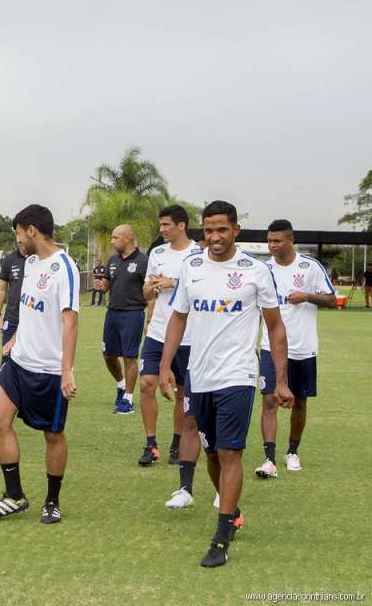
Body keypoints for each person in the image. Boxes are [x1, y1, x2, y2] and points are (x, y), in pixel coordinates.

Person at [159, 200, 293, 568]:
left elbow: (276, 326)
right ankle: (232, 511)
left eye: (222, 230)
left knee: (231, 452)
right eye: (209, 230)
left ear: (236, 230)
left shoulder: (256, 271)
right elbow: (177, 318)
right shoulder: (192, 267)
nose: (215, 237)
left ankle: (221, 536)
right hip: (198, 377)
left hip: (237, 375)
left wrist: (280, 380)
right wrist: (167, 365)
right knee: (212, 455)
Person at [0, 204, 79, 522]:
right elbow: (28, 307)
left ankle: (52, 500)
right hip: (19, 361)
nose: (18, 241)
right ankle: (14, 495)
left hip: (49, 370)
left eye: (19, 234)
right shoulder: (31, 263)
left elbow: (70, 320)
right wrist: (15, 338)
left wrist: (66, 369)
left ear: (32, 230)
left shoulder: (64, 267)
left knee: (53, 436)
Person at [254, 220, 336, 478]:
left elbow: (332, 299)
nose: (272, 245)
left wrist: (307, 296)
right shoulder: (263, 269)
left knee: (299, 401)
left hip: (303, 349)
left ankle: (292, 452)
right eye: (269, 240)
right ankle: (269, 459)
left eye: (277, 241)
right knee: (269, 399)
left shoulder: (310, 266)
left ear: (291, 240)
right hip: (269, 347)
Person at [137, 206, 199, 466]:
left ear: (181, 225)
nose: (161, 230)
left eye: (166, 225)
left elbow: (200, 288)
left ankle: (177, 444)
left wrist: (172, 282)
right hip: (157, 333)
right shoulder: (157, 253)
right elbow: (146, 293)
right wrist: (150, 287)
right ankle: (151, 445)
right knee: (147, 384)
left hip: (188, 336)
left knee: (183, 392)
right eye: (160, 225)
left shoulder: (198, 254)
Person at [95, 225, 147, 414]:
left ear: (127, 238)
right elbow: (107, 284)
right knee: (108, 355)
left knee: (130, 357)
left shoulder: (143, 261)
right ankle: (121, 384)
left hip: (133, 313)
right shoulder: (113, 260)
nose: (112, 241)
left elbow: (149, 291)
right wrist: (101, 286)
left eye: (115, 238)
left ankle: (128, 400)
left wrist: (150, 318)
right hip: (112, 313)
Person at [0, 240, 28, 355]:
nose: (19, 239)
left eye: (21, 234)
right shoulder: (9, 259)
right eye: (16, 234)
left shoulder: (38, 259)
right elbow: (1, 288)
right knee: (7, 358)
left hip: (32, 319)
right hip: (12, 320)